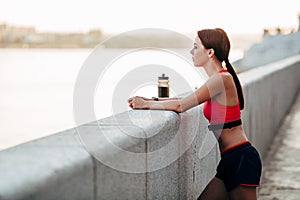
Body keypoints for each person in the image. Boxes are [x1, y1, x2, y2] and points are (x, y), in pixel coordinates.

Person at [128, 28, 262, 200]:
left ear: (210, 52)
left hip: (241, 158)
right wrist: (153, 99)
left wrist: (146, 105)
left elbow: (181, 105)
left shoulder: (222, 79)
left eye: (196, 47)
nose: (191, 52)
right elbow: (183, 100)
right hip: (229, 160)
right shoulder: (218, 79)